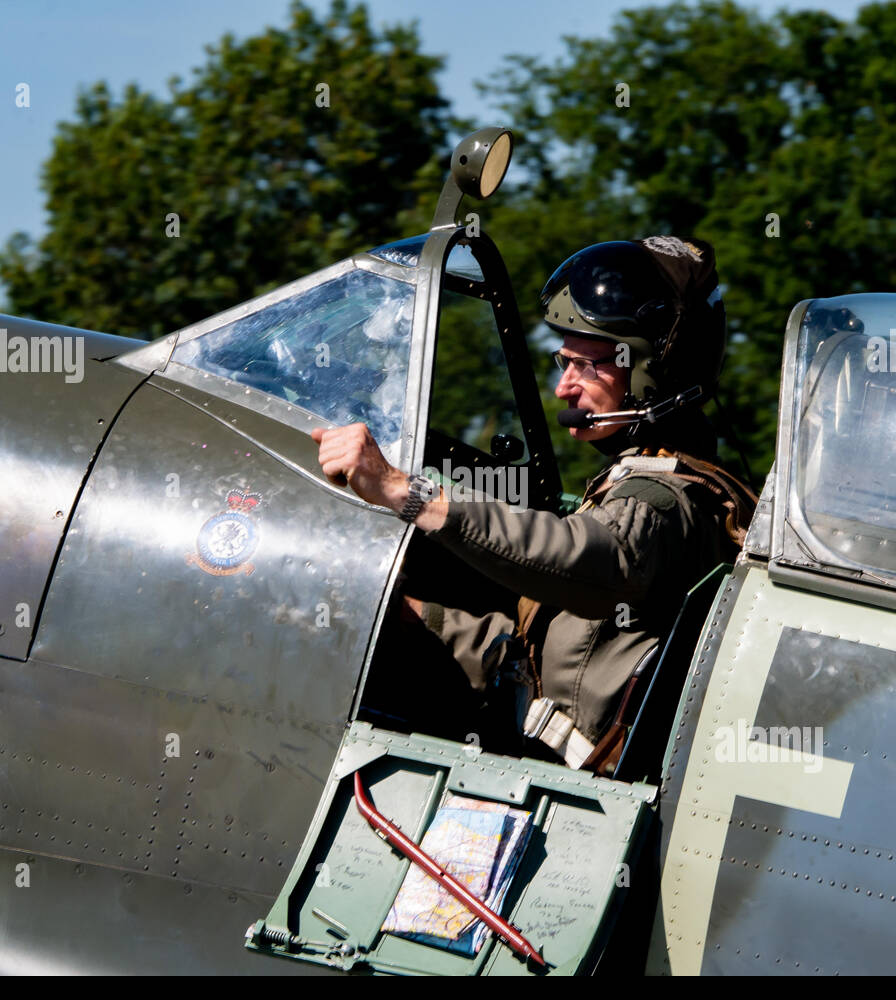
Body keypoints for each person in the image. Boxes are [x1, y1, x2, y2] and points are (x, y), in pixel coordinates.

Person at [311, 236, 755, 771]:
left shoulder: (664, 502)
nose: (564, 388)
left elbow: (587, 555)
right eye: (563, 362)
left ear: (650, 373)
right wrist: (414, 619)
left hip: (576, 797)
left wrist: (408, 494)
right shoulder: (632, 482)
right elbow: (537, 662)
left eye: (588, 366)